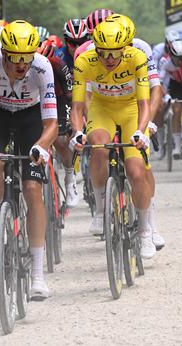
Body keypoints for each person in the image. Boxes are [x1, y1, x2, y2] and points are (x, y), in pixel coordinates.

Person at [0, 20, 58, 300]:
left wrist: (42, 146)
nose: (22, 64)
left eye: (27, 57)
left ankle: (37, 274)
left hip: (30, 117)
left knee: (33, 189)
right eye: (15, 58)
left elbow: (52, 122)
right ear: (4, 54)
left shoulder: (42, 68)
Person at [69, 18, 157, 259]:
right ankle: (100, 209)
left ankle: (144, 231)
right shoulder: (84, 61)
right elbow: (77, 106)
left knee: (136, 171)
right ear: (96, 49)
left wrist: (140, 131)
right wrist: (77, 132)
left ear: (124, 48)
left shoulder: (136, 57)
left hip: (131, 110)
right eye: (104, 53)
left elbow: (144, 103)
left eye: (115, 53)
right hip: (102, 108)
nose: (109, 59)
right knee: (97, 147)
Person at [37, 38, 79, 207]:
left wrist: (71, 119)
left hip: (59, 100)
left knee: (61, 141)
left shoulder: (59, 65)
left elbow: (71, 96)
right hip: (34, 101)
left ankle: (70, 178)